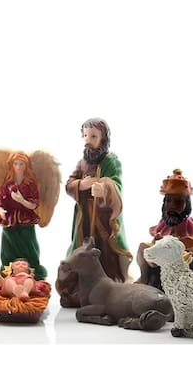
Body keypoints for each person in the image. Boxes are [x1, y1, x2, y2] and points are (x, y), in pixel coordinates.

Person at [66, 118, 132, 282]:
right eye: (85, 136)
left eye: (93, 136)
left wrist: (104, 189)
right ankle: (80, 279)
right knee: (83, 245)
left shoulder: (111, 161)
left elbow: (116, 184)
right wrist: (81, 184)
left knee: (103, 247)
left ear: (103, 139)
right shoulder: (82, 163)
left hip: (103, 215)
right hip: (84, 216)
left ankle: (107, 279)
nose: (88, 140)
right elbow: (69, 184)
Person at [136, 169, 193, 289]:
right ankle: (144, 278)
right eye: (168, 201)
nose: (172, 206)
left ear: (186, 204)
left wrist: (180, 243)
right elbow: (158, 237)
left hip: (181, 254)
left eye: (178, 202)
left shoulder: (189, 223)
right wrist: (158, 240)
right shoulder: (165, 222)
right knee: (143, 247)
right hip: (163, 253)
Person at [0, 151, 47, 280]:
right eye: (15, 164)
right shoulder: (8, 183)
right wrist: (0, 210)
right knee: (8, 246)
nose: (18, 167)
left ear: (26, 165)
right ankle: (7, 272)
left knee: (29, 245)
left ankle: (32, 271)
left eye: (21, 164)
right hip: (9, 219)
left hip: (26, 219)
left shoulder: (30, 183)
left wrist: (22, 200)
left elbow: (34, 204)